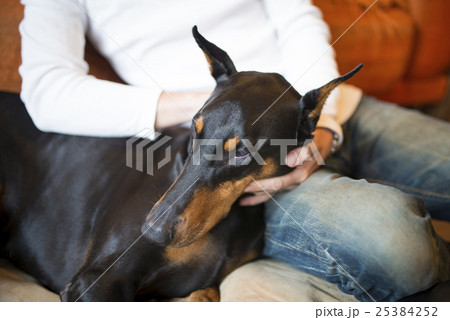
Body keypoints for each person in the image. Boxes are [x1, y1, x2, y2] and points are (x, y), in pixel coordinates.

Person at [19, 0, 449, 301]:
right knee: (397, 248)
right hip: (250, 166)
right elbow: (47, 91)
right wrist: (221, 106)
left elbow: (298, 18)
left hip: (339, 109)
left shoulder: (323, 112)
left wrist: (321, 122)